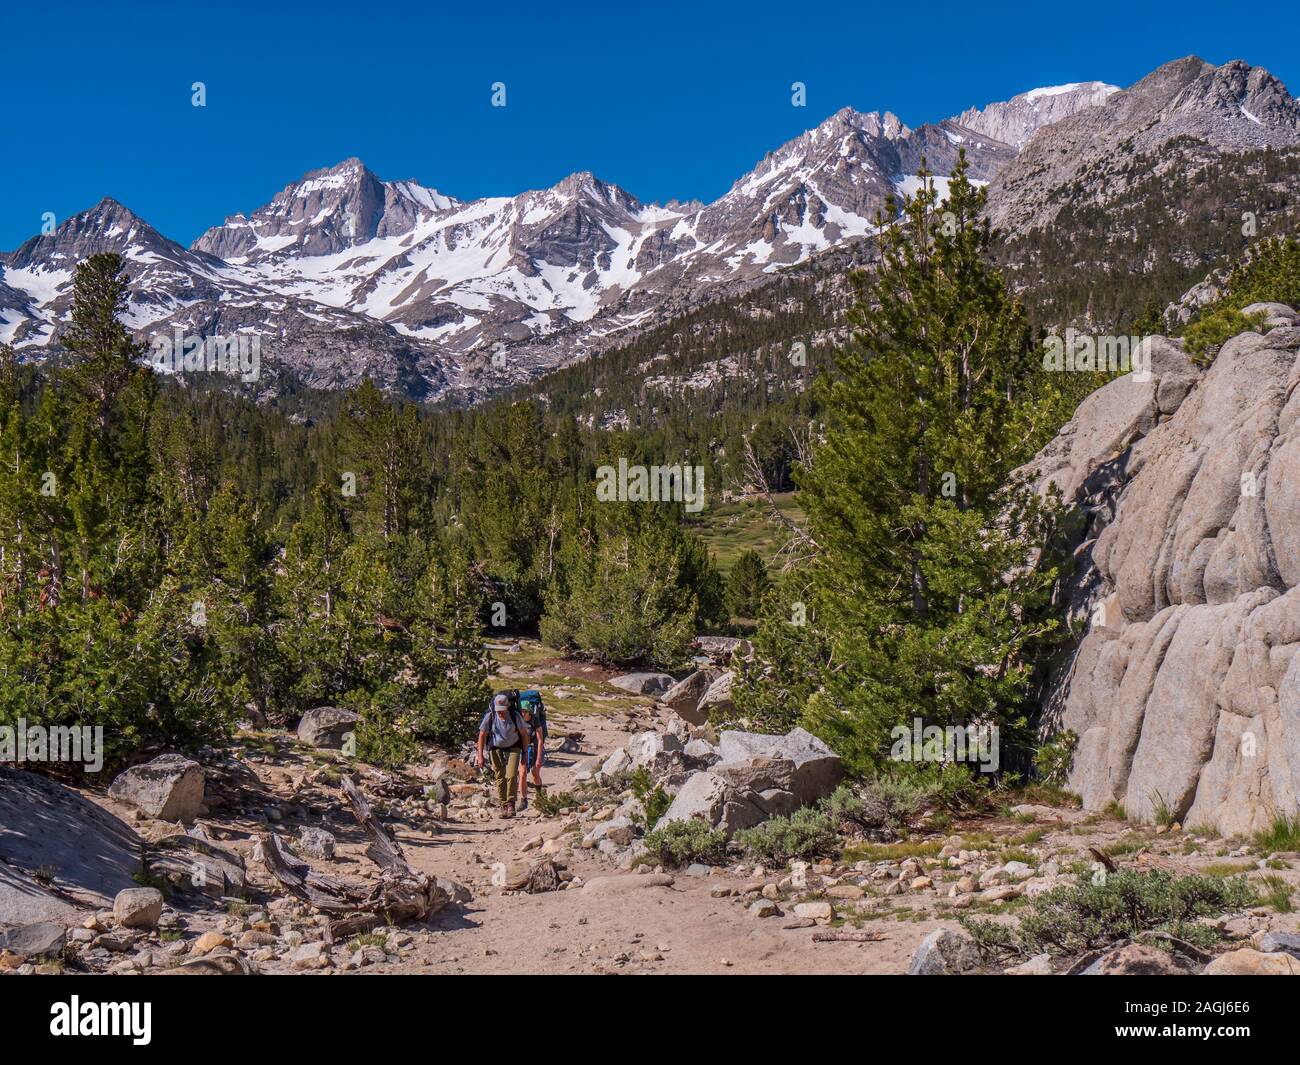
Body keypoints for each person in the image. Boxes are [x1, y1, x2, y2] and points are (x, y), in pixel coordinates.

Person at [476, 692, 526, 817]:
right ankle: (503, 805)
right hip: (495, 748)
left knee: (511, 775)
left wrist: (525, 753)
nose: (500, 713)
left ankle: (511, 803)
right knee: (500, 776)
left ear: (508, 706)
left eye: (502, 710)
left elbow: (524, 735)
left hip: (514, 747)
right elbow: (482, 735)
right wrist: (480, 756)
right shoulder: (490, 716)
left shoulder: (515, 716)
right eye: (498, 711)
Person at [515, 698, 545, 811]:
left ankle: (539, 795)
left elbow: (540, 739)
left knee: (535, 773)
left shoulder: (535, 720)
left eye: (524, 711)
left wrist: (538, 758)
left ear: (529, 712)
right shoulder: (518, 720)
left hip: (534, 748)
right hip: (522, 749)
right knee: (522, 774)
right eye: (521, 711)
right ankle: (523, 800)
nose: (522, 713)